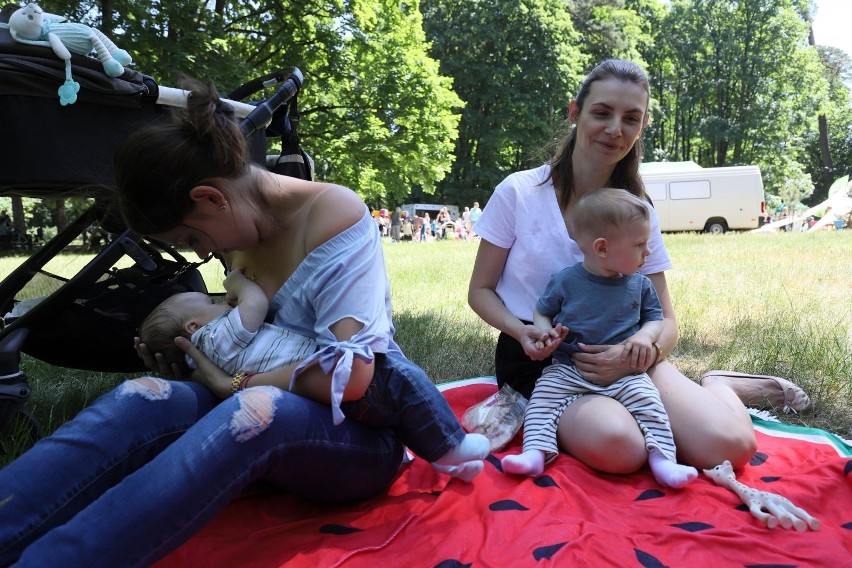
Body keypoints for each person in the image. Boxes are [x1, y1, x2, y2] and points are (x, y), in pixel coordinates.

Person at [0, 80, 488, 566]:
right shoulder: (237, 230)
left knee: (256, 406)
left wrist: (231, 381)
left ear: (211, 198)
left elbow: (352, 375)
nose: (204, 253)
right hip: (259, 407)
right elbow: (245, 340)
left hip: (361, 434)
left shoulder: (333, 216)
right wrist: (196, 367)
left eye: (192, 236)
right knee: (142, 396)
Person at [468, 59, 811, 481]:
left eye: (631, 118)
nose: (615, 128)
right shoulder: (519, 191)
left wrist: (637, 354)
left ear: (642, 125)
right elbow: (480, 290)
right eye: (602, 112)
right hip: (542, 363)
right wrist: (523, 332)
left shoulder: (637, 211)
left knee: (731, 448)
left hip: (627, 358)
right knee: (622, 447)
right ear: (575, 112)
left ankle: (720, 384)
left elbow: (666, 322)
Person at [139, 269, 487, 477]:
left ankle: (439, 457)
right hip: (331, 373)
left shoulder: (206, 356)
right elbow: (255, 304)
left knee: (395, 413)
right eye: (211, 302)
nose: (221, 301)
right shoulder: (215, 337)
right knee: (403, 379)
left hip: (318, 392)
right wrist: (238, 281)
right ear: (193, 326)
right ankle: (451, 445)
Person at [501, 188, 698, 489]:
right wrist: (543, 332)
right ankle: (535, 452)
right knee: (542, 398)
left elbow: (655, 319)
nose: (648, 253)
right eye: (640, 245)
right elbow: (542, 312)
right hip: (569, 369)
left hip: (627, 373)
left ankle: (663, 460)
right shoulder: (566, 280)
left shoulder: (640, 285)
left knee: (650, 403)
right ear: (602, 248)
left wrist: (645, 338)